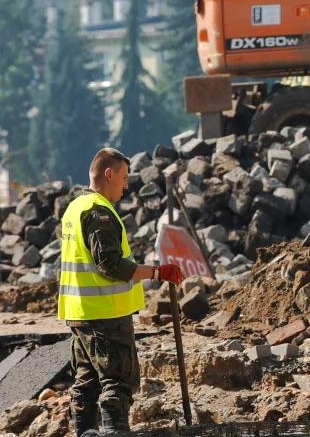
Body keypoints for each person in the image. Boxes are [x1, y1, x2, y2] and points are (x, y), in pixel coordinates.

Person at [59, 148, 184, 436]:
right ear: (108, 174)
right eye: (124, 177)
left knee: (87, 381)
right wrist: (156, 272)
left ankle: (85, 432)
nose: (126, 185)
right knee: (117, 380)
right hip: (106, 315)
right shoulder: (99, 213)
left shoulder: (74, 208)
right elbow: (110, 264)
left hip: (80, 314)